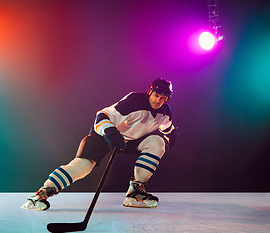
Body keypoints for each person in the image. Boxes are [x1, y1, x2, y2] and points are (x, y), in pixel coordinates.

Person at [21, 78, 179, 211]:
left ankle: (135, 192)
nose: (159, 100)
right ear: (150, 91)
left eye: (164, 98)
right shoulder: (134, 101)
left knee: (158, 142)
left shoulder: (165, 111)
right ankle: (40, 195)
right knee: (82, 167)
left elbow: (166, 127)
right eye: (157, 95)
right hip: (103, 136)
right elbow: (101, 116)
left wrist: (171, 135)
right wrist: (111, 133)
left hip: (128, 142)